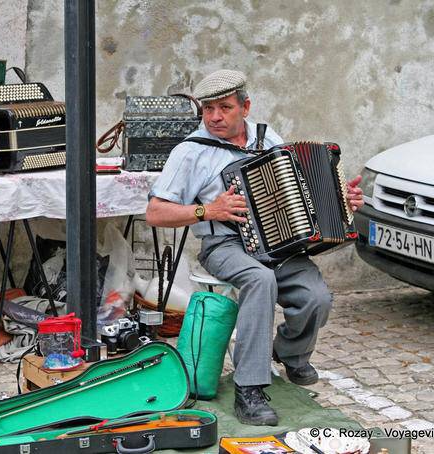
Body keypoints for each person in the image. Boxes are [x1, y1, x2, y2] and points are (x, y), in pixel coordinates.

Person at [145, 69, 364, 426]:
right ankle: (250, 390)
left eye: (225, 108)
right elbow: (155, 212)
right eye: (208, 109)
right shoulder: (189, 153)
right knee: (260, 281)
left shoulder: (267, 138)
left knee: (316, 297)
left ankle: (289, 352)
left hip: (277, 245)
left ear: (245, 107)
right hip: (224, 244)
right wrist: (207, 209)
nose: (215, 117)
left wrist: (342, 201)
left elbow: (300, 192)